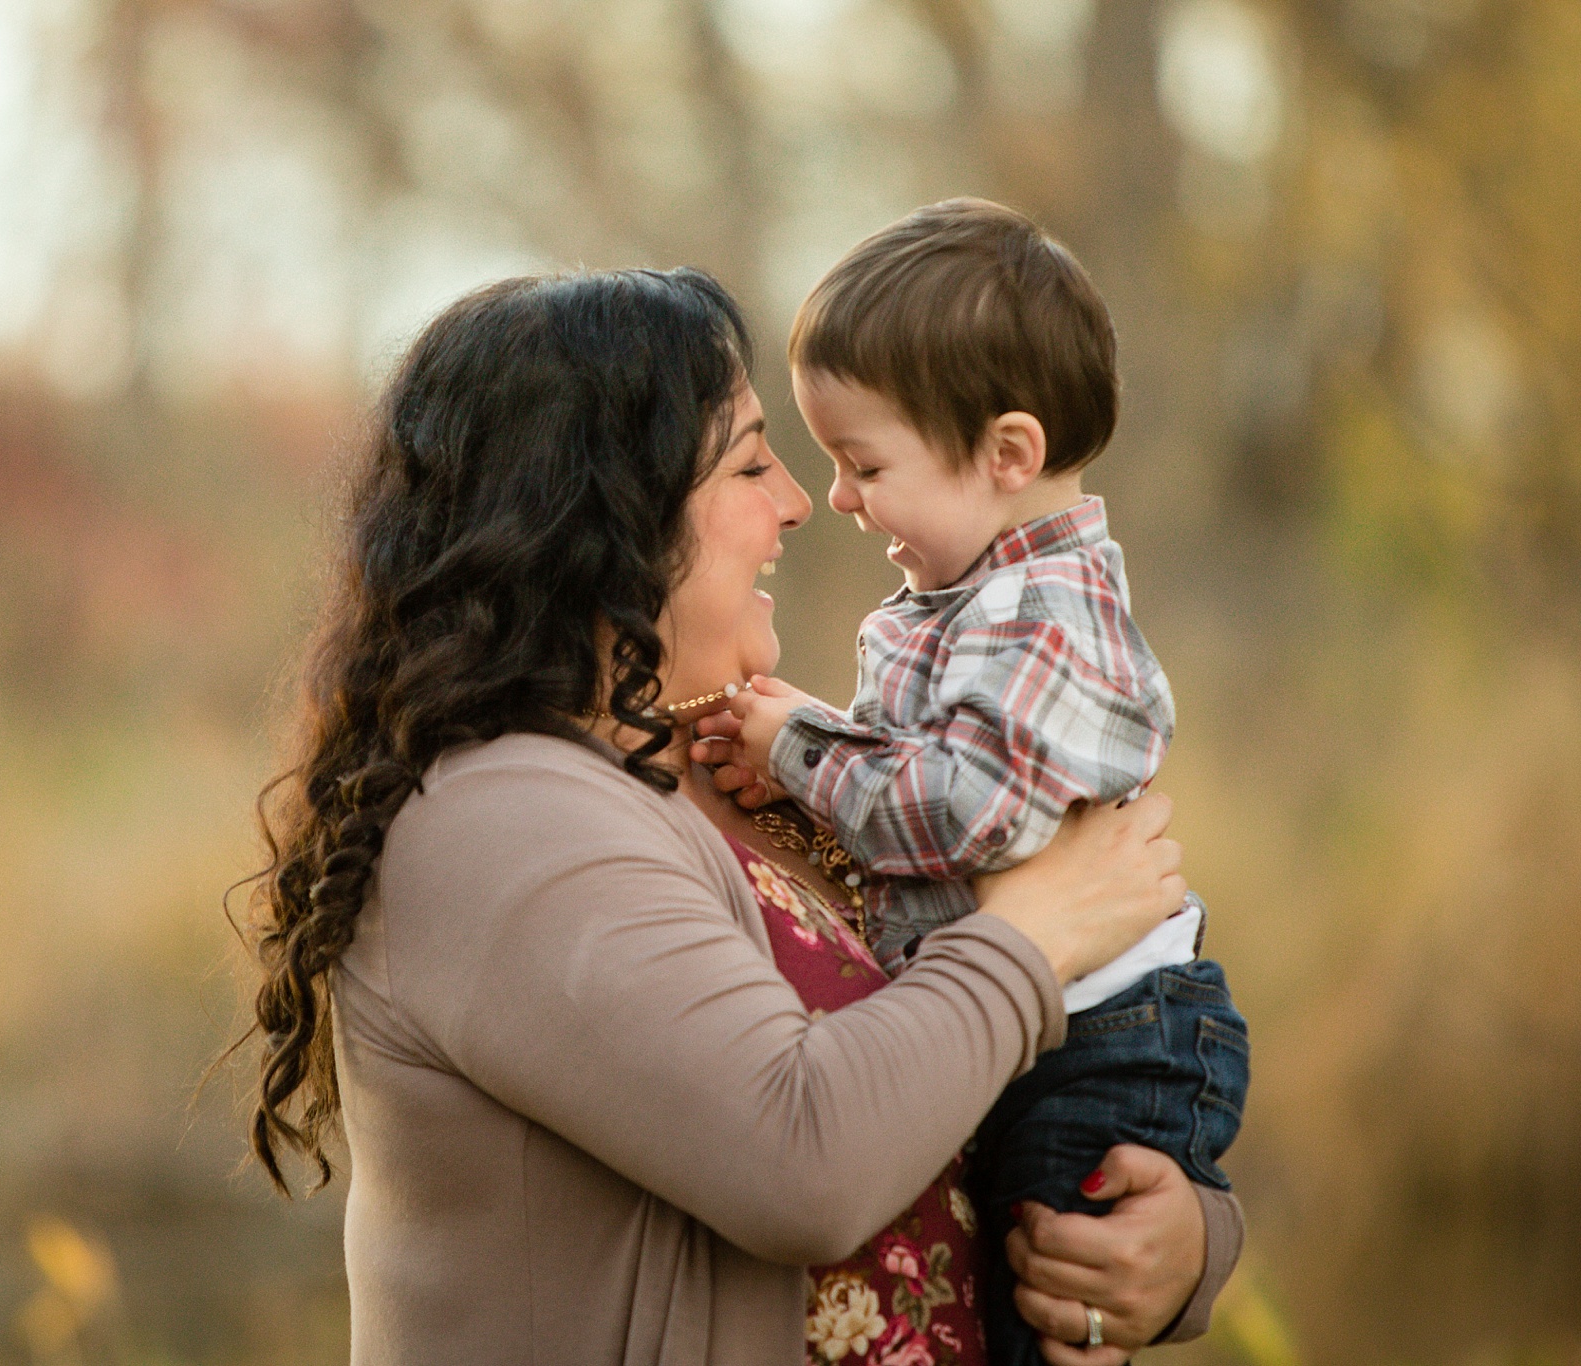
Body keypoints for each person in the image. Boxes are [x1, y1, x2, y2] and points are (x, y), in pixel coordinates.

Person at [239, 265, 1240, 1366]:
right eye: (750, 461)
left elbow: (955, 1091)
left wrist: (1176, 1246)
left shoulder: (736, 766)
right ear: (599, 517)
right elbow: (802, 1158)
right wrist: (1037, 933)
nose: (801, 501)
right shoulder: (496, 822)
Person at [697, 199, 1249, 1366]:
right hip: (1049, 1021)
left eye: (862, 464)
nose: (833, 498)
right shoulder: (968, 600)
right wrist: (801, 769)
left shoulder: (1042, 615)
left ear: (1005, 454)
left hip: (1106, 1036)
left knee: (1040, 1314)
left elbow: (959, 810)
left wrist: (798, 747)